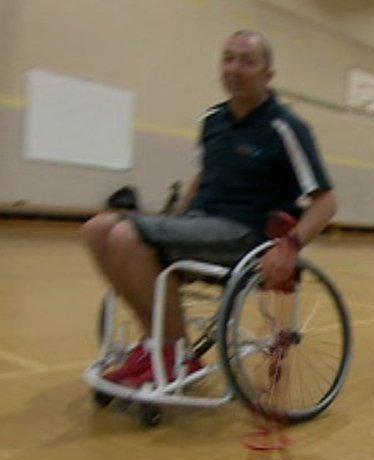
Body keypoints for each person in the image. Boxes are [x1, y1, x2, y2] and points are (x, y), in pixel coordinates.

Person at [80, 30, 338, 387]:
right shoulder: (213, 121)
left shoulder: (285, 127)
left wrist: (289, 246)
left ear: (268, 75)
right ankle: (156, 344)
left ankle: (174, 355)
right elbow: (203, 177)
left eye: (247, 61)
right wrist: (174, 220)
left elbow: (326, 202)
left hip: (245, 234)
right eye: (228, 59)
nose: (235, 68)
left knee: (125, 234)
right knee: (96, 229)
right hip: (200, 224)